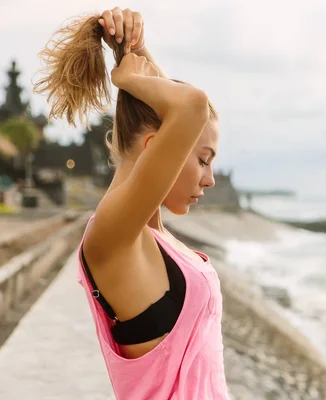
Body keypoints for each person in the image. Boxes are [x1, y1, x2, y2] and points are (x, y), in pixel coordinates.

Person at [33, 7, 229, 400]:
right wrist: (126, 77)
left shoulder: (149, 231)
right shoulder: (112, 236)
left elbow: (186, 110)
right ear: (159, 148)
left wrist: (132, 48)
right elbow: (192, 104)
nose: (209, 179)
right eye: (203, 159)